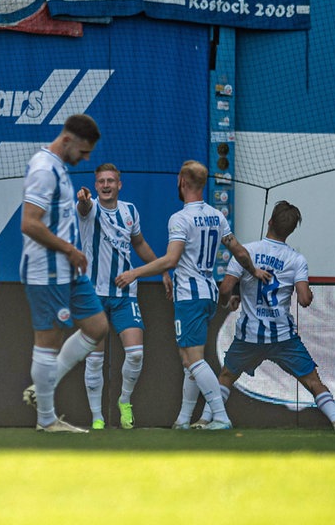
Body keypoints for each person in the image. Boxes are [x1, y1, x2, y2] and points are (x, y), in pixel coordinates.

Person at [115, 160, 270, 430]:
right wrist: (253, 270)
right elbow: (241, 252)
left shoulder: (180, 218)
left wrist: (135, 273)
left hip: (190, 295)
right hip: (208, 293)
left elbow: (171, 260)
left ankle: (220, 416)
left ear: (182, 182)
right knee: (190, 359)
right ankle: (183, 420)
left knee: (193, 359)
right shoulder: (216, 216)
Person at [207, 201, 335, 431]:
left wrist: (227, 302)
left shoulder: (246, 251)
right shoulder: (296, 260)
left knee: (226, 376)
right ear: (291, 231)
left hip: (249, 337)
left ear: (270, 221)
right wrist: (306, 292)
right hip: (282, 337)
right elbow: (304, 299)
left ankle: (209, 421)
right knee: (313, 382)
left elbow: (224, 289)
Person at [20, 114, 109, 433]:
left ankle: (42, 388)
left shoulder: (57, 166)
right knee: (47, 342)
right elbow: (29, 223)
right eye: (83, 152)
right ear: (67, 140)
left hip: (66, 268)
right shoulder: (44, 169)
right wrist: (70, 249)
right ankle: (46, 420)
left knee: (97, 326)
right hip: (47, 270)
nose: (85, 159)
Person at [75, 163, 171, 429]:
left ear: (119, 184)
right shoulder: (89, 209)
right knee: (94, 359)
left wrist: (162, 270)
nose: (106, 185)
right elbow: (83, 208)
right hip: (94, 296)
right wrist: (83, 201)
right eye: (101, 182)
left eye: (111, 181)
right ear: (95, 186)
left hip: (124, 295)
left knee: (136, 354)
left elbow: (139, 243)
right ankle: (97, 417)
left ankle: (124, 401)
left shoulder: (129, 211)